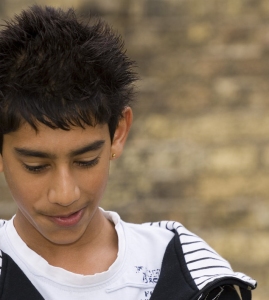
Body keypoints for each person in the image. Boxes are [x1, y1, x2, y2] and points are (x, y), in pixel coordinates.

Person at [0, 5, 256, 300]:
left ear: (118, 133)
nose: (65, 193)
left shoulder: (190, 274)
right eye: (36, 166)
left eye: (86, 161)